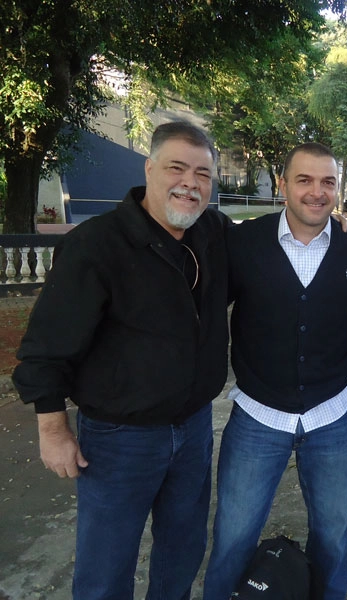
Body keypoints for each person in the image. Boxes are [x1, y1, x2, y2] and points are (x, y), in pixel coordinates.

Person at [12, 120, 229, 599]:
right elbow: (45, 347)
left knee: (182, 550)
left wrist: (331, 224)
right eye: (177, 168)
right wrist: (53, 431)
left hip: (192, 430)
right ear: (149, 169)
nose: (190, 184)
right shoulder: (97, 244)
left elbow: (271, 243)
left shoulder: (211, 232)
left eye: (203, 174)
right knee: (106, 565)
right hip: (118, 440)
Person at [202, 142, 347, 600]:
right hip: (259, 415)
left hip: (331, 416)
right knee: (233, 538)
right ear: (282, 184)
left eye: (327, 182)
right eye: (304, 180)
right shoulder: (243, 242)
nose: (316, 192)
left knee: (334, 539)